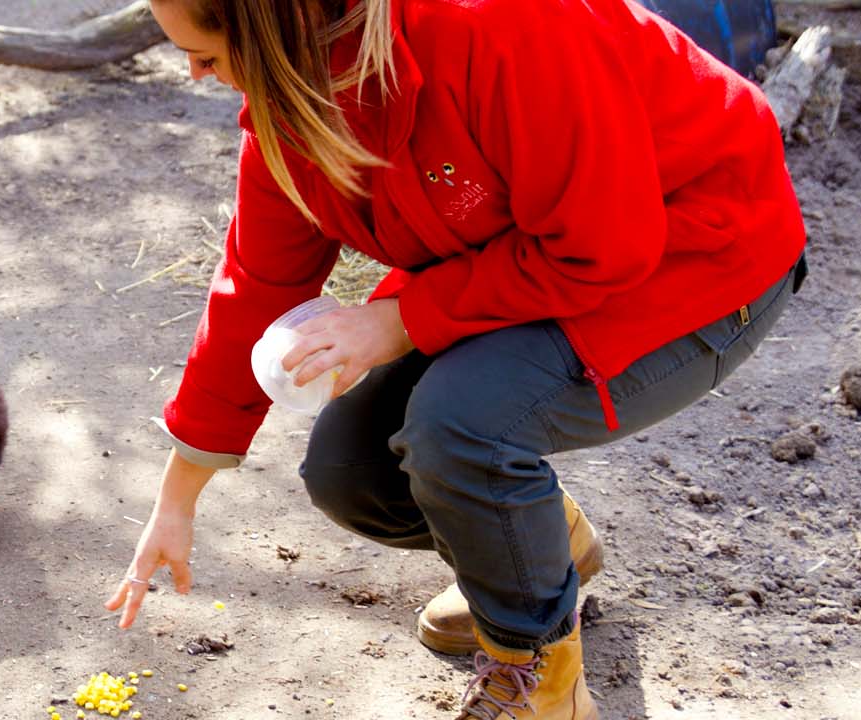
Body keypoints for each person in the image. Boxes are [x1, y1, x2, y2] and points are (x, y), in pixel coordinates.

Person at [105, 0, 807, 717]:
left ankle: (540, 683)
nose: (193, 74)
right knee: (351, 471)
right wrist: (176, 500)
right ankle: (546, 547)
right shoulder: (299, 96)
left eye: (208, 56)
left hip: (698, 255)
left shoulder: (503, 26)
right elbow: (258, 287)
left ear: (273, 26)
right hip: (530, 251)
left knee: (460, 430)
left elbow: (604, 246)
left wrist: (403, 318)